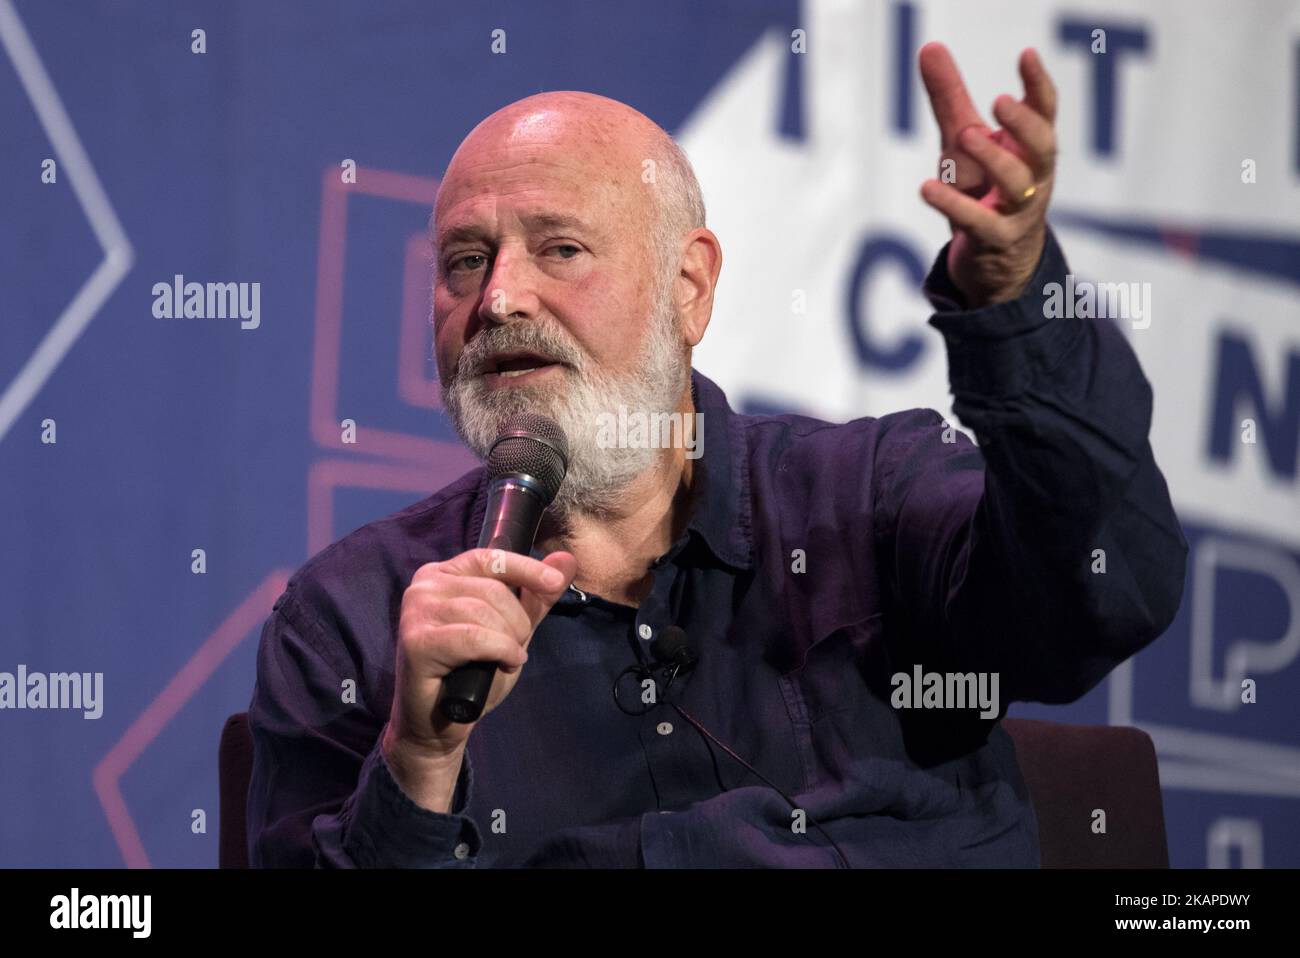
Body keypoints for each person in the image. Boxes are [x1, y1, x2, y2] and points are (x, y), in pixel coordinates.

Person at [246, 43, 1187, 867]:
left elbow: (1103, 598)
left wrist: (1017, 306)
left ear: (689, 288)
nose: (498, 300)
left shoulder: (873, 501)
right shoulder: (352, 622)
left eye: (560, 248)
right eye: (464, 260)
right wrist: (418, 760)